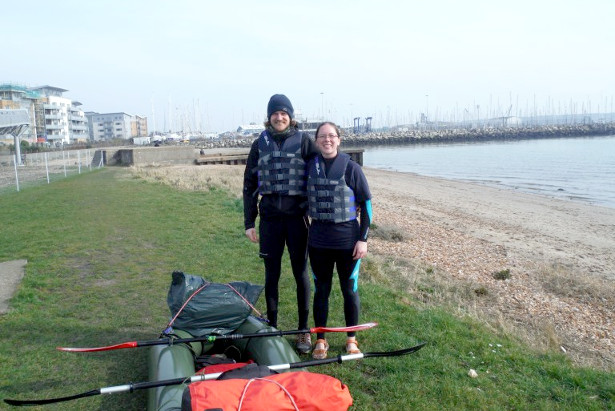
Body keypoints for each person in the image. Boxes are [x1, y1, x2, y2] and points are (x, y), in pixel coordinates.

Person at [243, 94, 320, 354]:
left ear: (290, 116)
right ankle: (272, 328)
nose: (279, 117)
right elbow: (249, 185)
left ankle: (303, 330)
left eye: (284, 113)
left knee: (300, 273)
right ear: (269, 117)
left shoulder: (304, 141)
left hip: (298, 220)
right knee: (271, 275)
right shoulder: (259, 144)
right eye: (275, 113)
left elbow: (321, 170)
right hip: (270, 221)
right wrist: (249, 221)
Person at [307, 121, 372, 360]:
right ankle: (321, 340)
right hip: (318, 242)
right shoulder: (309, 168)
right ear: (316, 141)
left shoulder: (352, 168)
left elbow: (366, 205)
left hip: (348, 242)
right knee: (321, 290)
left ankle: (351, 339)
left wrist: (363, 239)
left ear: (339, 139)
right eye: (322, 136)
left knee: (349, 290)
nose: (327, 140)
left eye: (331, 136)